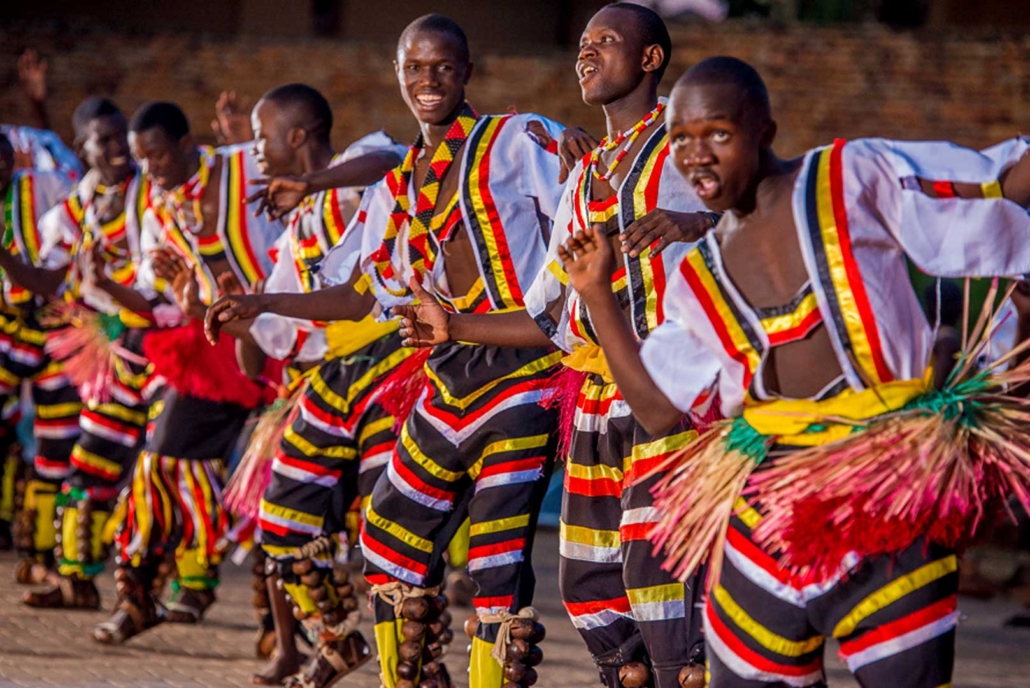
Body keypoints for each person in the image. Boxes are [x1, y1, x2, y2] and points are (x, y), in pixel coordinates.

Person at [559, 55, 1030, 688]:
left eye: (718, 135)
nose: (697, 157)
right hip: (765, 506)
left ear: (765, 132)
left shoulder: (849, 177)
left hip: (883, 490)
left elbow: (1000, 179)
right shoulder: (699, 278)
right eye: (680, 141)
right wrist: (594, 292)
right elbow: (654, 407)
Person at [207, 14, 569, 688]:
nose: (428, 81)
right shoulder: (403, 184)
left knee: (496, 561)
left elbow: (581, 206)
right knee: (388, 535)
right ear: (400, 76)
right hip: (447, 378)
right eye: (414, 68)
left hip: (524, 376)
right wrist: (262, 304)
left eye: (442, 67)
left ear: (466, 72)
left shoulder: (516, 140)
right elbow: (359, 293)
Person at [392, 5, 713, 687]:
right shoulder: (580, 180)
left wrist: (696, 219)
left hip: (674, 393)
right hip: (598, 400)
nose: (586, 54)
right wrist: (454, 326)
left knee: (661, 582)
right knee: (589, 586)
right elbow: (551, 318)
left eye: (606, 42)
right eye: (582, 44)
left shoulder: (685, 148)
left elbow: (754, 206)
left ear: (651, 60)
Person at [182, 82, 406, 687]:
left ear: (298, 138)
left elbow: (394, 161)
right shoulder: (294, 236)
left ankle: (413, 665)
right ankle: (336, 640)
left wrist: (312, 184)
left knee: (390, 529)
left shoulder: (361, 171)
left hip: (392, 366)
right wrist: (237, 315)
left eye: (261, 137)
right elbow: (261, 362)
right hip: (326, 384)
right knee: (279, 519)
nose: (254, 149)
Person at [0, 97, 155, 609]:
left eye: (121, 138)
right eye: (103, 141)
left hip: (160, 347)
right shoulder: (76, 208)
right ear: (82, 149)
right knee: (87, 465)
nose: (117, 150)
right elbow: (49, 280)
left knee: (171, 467)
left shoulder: (154, 191)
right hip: (104, 350)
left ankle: (180, 586)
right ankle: (76, 580)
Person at [0, 131, 79, 585]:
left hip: (55, 328)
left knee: (57, 444)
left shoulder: (42, 187)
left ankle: (42, 556)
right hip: (5, 328)